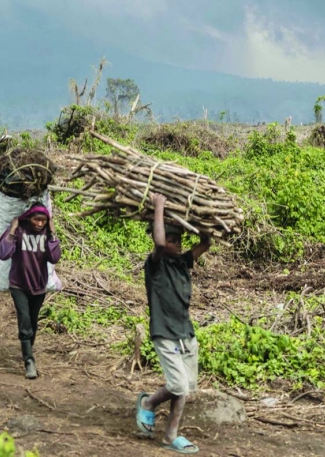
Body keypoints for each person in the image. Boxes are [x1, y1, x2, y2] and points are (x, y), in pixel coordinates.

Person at [135, 193, 211, 454]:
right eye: (172, 240)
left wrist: (200, 216)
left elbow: (206, 242)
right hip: (164, 333)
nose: (176, 244)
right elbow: (157, 243)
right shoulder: (154, 264)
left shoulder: (181, 262)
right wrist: (159, 207)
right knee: (177, 384)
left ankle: (170, 435)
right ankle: (148, 403)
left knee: (186, 389)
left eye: (178, 239)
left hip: (185, 333)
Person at [0, 202, 61, 380]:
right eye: (36, 219)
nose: (40, 224)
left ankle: (27, 351)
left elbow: (54, 257)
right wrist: (12, 230)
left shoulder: (47, 233)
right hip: (19, 284)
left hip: (39, 286)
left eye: (43, 220)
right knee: (24, 321)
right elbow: (2, 253)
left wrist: (53, 234)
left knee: (32, 322)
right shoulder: (20, 231)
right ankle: (29, 362)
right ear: (29, 218)